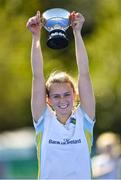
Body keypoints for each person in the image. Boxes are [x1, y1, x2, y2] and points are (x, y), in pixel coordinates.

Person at [26, 10, 95, 179]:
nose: (62, 100)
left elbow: (84, 73)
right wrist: (36, 37)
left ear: (75, 95)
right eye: (56, 96)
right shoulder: (43, 120)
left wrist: (77, 33)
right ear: (47, 99)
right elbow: (37, 75)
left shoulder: (84, 118)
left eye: (66, 94)